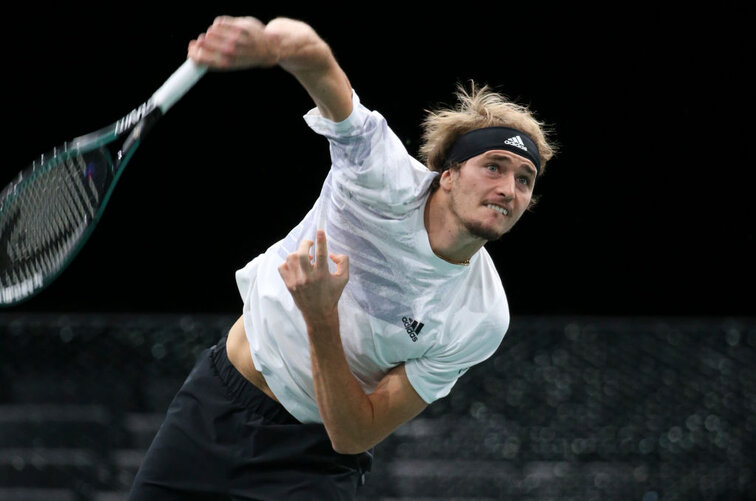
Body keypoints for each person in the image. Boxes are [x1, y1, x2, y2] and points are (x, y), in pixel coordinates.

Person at [128, 14, 556, 500]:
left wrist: (321, 317)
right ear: (449, 175)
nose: (508, 189)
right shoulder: (379, 172)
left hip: (312, 462)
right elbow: (316, 58)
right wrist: (268, 45)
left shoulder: (481, 316)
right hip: (213, 406)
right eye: (493, 167)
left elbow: (354, 434)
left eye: (525, 180)